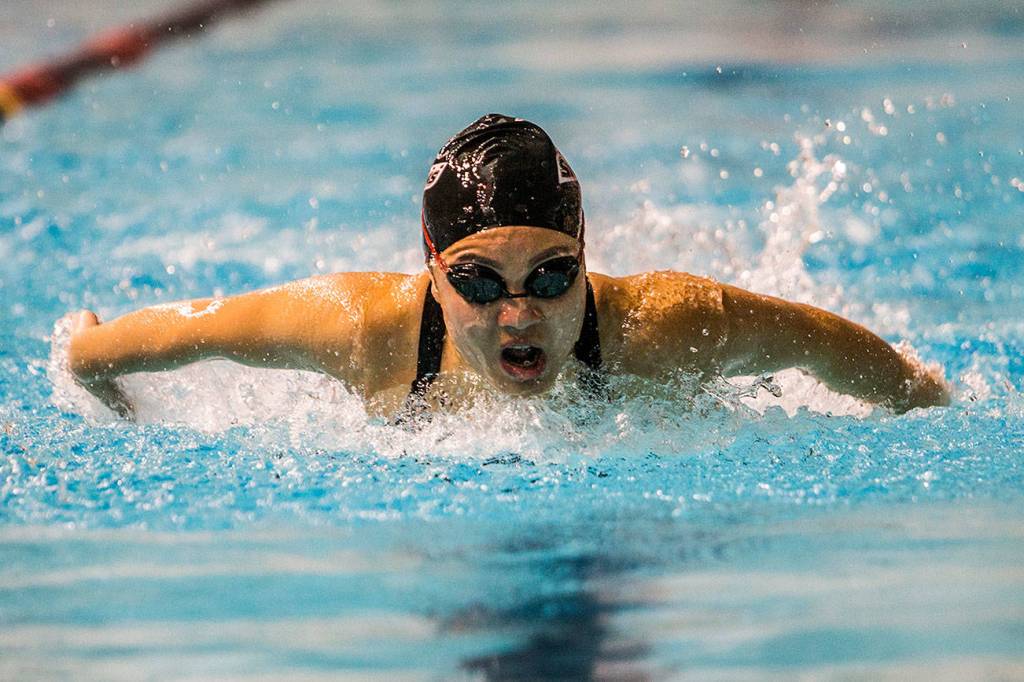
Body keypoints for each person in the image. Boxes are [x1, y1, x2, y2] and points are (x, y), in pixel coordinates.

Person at [68, 114, 950, 420]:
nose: (520, 316)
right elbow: (147, 341)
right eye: (481, 283)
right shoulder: (365, 329)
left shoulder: (663, 325)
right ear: (431, 269)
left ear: (587, 258)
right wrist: (98, 372)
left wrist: (926, 399)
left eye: (554, 277)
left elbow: (826, 347)